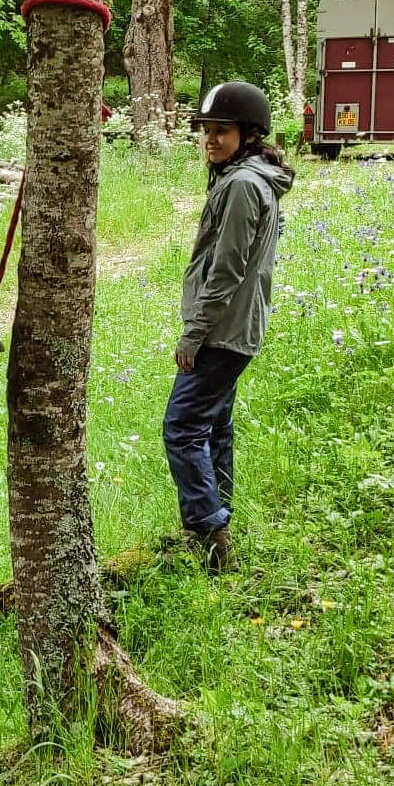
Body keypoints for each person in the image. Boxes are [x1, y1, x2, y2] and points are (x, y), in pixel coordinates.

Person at [164, 81, 294, 572]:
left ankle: (210, 536)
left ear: (249, 134)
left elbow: (227, 270)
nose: (211, 140)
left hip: (222, 331)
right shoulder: (248, 178)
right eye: (207, 131)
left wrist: (193, 333)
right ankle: (218, 522)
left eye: (223, 131)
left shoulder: (242, 185)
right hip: (237, 329)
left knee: (181, 428)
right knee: (214, 426)